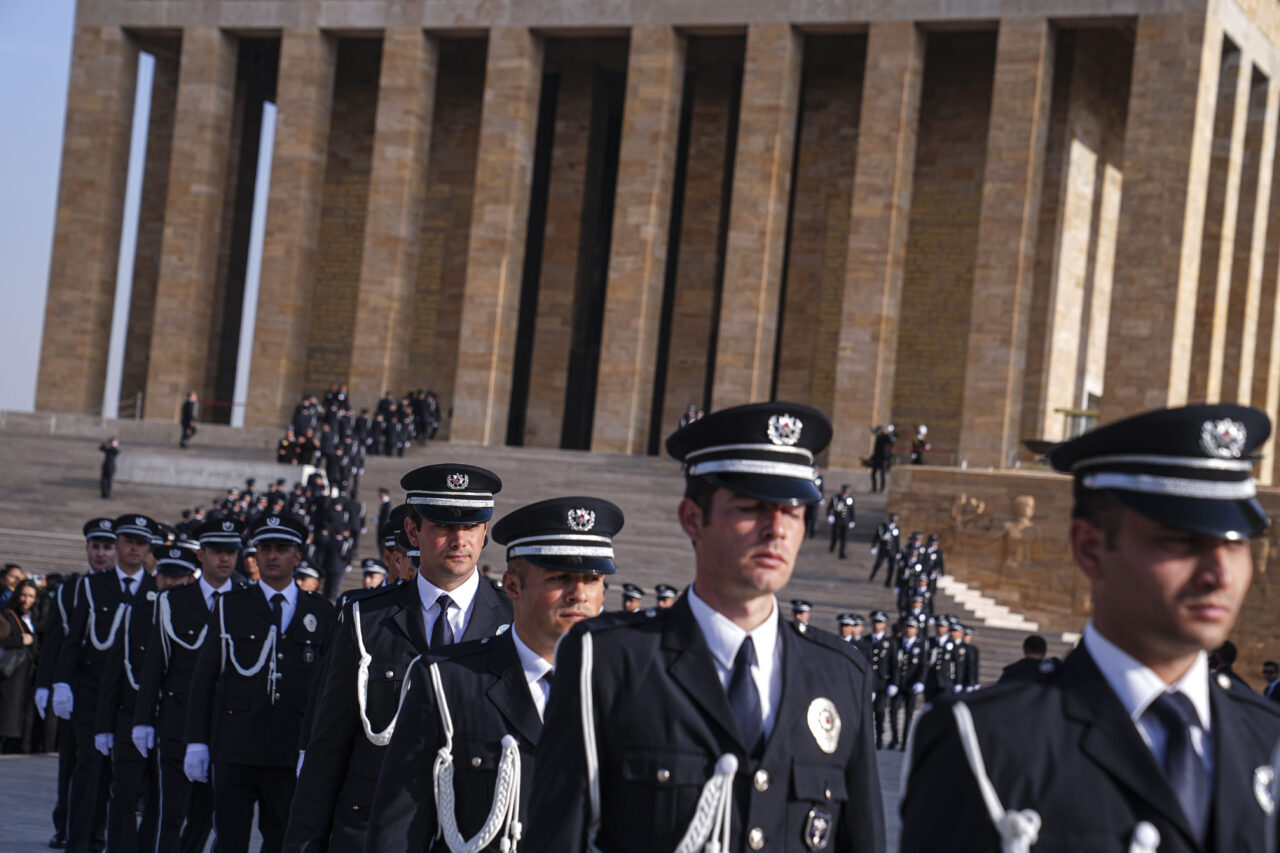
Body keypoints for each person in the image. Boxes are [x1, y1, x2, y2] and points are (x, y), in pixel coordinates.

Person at [902, 403, 1280, 851]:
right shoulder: (986, 742)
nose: (1220, 573)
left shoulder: (1268, 739)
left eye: (1235, 543)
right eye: (1181, 540)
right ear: (1090, 549)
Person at [525, 402, 885, 853]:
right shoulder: (611, 661)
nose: (777, 529)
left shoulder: (841, 674)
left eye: (793, 512)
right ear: (693, 519)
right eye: (752, 507)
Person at [366, 496, 622, 853]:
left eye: (592, 579)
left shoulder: (631, 689)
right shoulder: (448, 681)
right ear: (514, 587)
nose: (578, 594)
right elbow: (398, 829)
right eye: (559, 578)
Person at [284, 464, 510, 853]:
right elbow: (329, 747)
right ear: (412, 532)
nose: (459, 540)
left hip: (471, 834)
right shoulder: (366, 619)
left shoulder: (511, 620)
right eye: (442, 526)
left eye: (471, 526)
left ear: (485, 531)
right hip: (370, 830)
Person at [184, 512, 336, 853]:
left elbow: (329, 689)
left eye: (281, 548)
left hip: (289, 750)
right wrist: (196, 741)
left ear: (297, 556)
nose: (272, 556)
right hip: (235, 747)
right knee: (229, 840)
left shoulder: (322, 612)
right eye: (264, 548)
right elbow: (204, 680)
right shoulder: (230, 606)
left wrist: (317, 748)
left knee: (283, 839)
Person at [133, 517, 245, 853]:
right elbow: (156, 664)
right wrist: (142, 719)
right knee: (171, 814)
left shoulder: (247, 599)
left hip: (226, 725)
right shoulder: (175, 600)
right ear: (201, 554)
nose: (224, 558)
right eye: (216, 551)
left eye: (231, 551)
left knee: (208, 816)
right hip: (177, 722)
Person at [54, 514, 159, 853]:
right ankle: (79, 840)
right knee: (89, 767)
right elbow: (74, 641)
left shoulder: (157, 590)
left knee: (125, 778)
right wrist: (61, 683)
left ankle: (104, 837)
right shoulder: (92, 585)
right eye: (127, 541)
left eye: (140, 543)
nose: (133, 548)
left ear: (147, 549)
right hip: (92, 692)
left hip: (133, 697)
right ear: (118, 545)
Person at [95, 542, 198, 853]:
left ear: (189, 580)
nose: (169, 583)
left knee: (162, 801)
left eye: (177, 578)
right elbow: (114, 671)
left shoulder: (196, 616)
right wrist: (103, 724)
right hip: (131, 716)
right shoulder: (137, 614)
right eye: (165, 575)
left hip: (171, 721)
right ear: (156, 577)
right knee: (123, 794)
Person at [34, 518, 116, 849]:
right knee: (72, 760)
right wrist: (46, 684)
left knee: (103, 766)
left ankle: (96, 826)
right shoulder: (70, 589)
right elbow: (55, 640)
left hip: (109, 689)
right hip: (76, 688)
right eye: (95, 547)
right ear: (87, 549)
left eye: (107, 547)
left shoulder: (125, 589)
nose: (100, 554)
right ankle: (65, 822)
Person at [0, 579, 41, 752]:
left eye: (31, 596)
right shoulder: (8, 614)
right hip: (11, 675)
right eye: (23, 595)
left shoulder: (35, 617)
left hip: (27, 675)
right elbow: (4, 639)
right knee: (8, 716)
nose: (26, 599)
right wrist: (21, 640)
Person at [887, 615, 926, 751]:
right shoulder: (896, 643)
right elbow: (892, 663)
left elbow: (923, 665)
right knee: (893, 712)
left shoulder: (921, 645)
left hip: (911, 685)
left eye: (912, 627)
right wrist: (892, 682)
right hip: (897, 684)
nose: (909, 630)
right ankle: (894, 738)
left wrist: (920, 681)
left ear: (916, 630)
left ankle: (904, 742)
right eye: (907, 627)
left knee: (909, 714)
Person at [869, 512, 900, 585]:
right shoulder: (882, 527)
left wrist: (898, 552)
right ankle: (872, 576)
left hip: (892, 551)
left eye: (894, 521)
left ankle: (888, 581)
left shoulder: (897, 529)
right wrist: (873, 546)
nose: (893, 522)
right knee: (878, 564)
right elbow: (876, 537)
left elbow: (897, 541)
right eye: (892, 521)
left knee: (891, 567)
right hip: (883, 549)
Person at [825, 483, 855, 558]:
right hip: (837, 521)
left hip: (846, 521)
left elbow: (852, 510)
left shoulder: (850, 499)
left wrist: (852, 520)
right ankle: (832, 547)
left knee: (844, 538)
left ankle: (842, 553)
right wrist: (829, 516)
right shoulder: (835, 498)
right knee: (835, 536)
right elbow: (829, 508)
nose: (845, 493)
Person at [870, 424, 895, 492]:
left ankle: (882, 489)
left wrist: (886, 433)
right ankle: (874, 488)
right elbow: (876, 449)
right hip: (877, 458)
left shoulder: (885, 437)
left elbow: (891, 441)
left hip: (884, 458)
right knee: (873, 474)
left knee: (882, 474)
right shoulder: (878, 438)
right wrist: (872, 457)